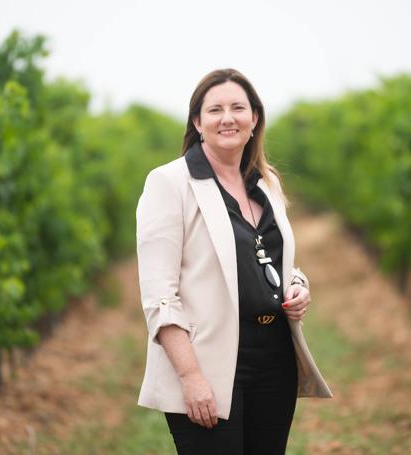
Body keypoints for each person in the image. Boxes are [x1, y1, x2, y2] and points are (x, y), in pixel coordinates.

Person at [135, 68, 332, 455]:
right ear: (197, 121)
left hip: (275, 358)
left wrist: (297, 285)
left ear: (254, 117)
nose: (228, 118)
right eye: (215, 109)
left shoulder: (266, 183)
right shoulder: (169, 183)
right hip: (208, 362)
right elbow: (159, 295)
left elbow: (272, 260)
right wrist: (190, 376)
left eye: (238, 107)